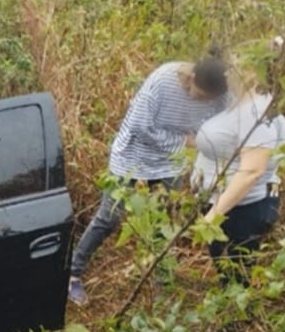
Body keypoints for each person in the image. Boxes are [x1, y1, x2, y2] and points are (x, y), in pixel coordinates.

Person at [68, 58, 230, 305]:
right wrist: (183, 141)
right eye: (200, 95)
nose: (202, 102)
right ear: (192, 78)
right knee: (109, 217)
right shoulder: (164, 80)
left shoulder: (220, 94)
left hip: (169, 163)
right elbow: (140, 126)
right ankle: (72, 274)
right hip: (131, 154)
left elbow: (223, 121)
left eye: (209, 99)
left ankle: (161, 290)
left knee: (163, 224)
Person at [194, 60, 284, 280]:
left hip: (240, 210)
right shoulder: (240, 101)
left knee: (235, 272)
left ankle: (238, 313)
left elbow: (253, 170)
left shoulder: (256, 110)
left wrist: (213, 216)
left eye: (235, 66)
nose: (227, 71)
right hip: (227, 207)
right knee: (227, 268)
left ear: (253, 71)